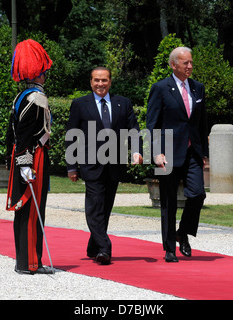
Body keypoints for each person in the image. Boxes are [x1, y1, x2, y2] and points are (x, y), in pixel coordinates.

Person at [65, 67, 142, 265]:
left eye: (104, 80)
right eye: (97, 80)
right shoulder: (80, 104)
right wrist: (71, 166)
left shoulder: (122, 103)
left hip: (114, 164)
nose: (101, 84)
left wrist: (136, 150)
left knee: (105, 207)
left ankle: (94, 245)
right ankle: (105, 249)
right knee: (94, 206)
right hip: (90, 164)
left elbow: (133, 129)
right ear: (91, 82)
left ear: (110, 81)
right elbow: (72, 135)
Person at [146, 47, 209, 263]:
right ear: (174, 65)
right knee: (168, 201)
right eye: (185, 63)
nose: (190, 66)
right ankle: (169, 248)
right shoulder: (160, 88)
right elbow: (151, 124)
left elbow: (201, 123)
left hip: (192, 152)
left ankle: (182, 232)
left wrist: (204, 153)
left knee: (198, 195)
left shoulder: (198, 88)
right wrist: (155, 153)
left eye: (191, 62)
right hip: (167, 153)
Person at [6, 39, 53, 274]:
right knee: (32, 209)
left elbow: (10, 135)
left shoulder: (21, 96)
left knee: (28, 210)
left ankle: (27, 261)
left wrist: (13, 161)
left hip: (25, 156)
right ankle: (30, 263)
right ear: (40, 72)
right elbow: (24, 136)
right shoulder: (37, 98)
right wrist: (25, 166)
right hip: (34, 158)